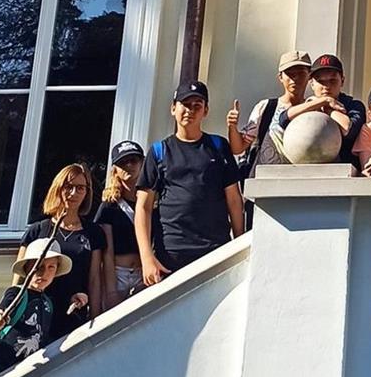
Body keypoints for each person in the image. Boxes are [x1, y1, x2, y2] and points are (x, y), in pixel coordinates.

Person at [134, 80, 245, 287]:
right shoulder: (159, 151)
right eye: (185, 104)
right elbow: (143, 207)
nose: (190, 111)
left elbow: (234, 199)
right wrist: (146, 257)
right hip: (172, 253)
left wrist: (240, 245)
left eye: (197, 105)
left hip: (215, 250)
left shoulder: (219, 146)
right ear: (173, 108)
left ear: (205, 111)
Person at [18, 163, 107, 338]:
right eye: (68, 187)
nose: (73, 193)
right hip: (37, 316)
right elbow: (20, 278)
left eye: (80, 188)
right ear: (58, 188)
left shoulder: (93, 233)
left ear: (87, 192)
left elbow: (94, 279)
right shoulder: (37, 230)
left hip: (73, 312)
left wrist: (95, 318)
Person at [0, 242, 68, 377]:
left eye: (51, 267)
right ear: (27, 268)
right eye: (38, 267)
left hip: (30, 370)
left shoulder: (48, 303)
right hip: (4, 367)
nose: (44, 273)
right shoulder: (17, 292)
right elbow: (5, 306)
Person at [230, 50, 314, 176]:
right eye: (290, 74)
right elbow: (238, 148)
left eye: (301, 73)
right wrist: (232, 126)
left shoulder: (314, 110)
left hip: (301, 180)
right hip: (264, 181)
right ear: (280, 77)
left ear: (309, 76)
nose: (295, 78)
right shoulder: (266, 107)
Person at [275, 53, 365, 166]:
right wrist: (321, 102)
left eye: (332, 80)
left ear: (342, 80)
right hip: (307, 168)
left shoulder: (353, 105)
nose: (326, 86)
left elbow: (349, 130)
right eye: (320, 81)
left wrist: (328, 109)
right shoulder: (307, 105)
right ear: (312, 84)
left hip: (343, 170)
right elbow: (283, 119)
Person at [94, 140, 146, 306]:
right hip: (117, 274)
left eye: (134, 160)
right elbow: (107, 252)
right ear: (115, 169)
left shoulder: (152, 202)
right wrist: (111, 291)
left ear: (142, 163)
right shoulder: (109, 206)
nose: (129, 165)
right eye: (123, 162)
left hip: (144, 272)